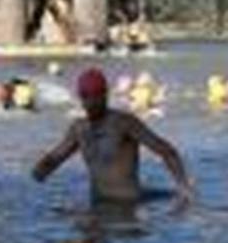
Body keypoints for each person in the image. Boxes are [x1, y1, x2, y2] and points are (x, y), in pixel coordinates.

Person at [31, 66, 193, 204]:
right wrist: (37, 174)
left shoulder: (123, 123)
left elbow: (166, 150)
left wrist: (183, 187)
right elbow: (54, 159)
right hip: (104, 204)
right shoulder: (80, 129)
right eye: (86, 97)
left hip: (125, 205)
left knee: (170, 196)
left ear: (104, 95)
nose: (90, 102)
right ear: (81, 98)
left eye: (94, 96)